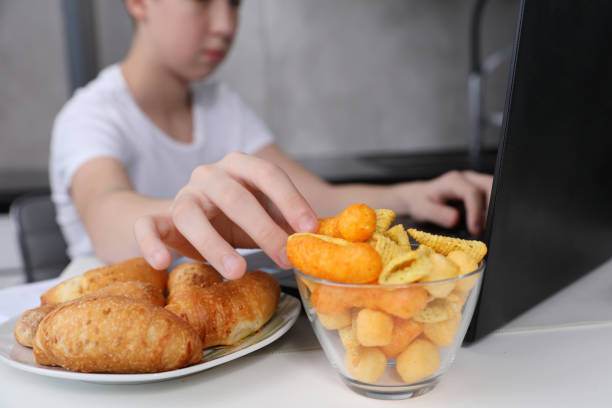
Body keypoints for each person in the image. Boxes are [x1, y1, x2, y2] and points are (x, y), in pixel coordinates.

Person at [50, 0, 492, 280]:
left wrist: (412, 195)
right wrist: (180, 213)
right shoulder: (90, 116)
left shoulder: (220, 107)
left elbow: (310, 199)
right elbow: (104, 212)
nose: (225, 24)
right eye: (203, 2)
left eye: (235, 3)